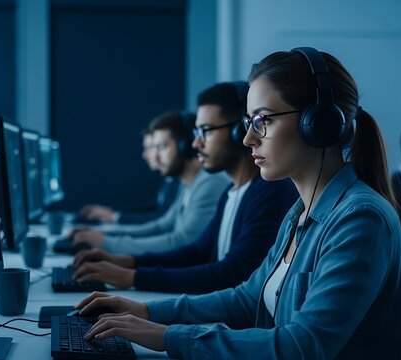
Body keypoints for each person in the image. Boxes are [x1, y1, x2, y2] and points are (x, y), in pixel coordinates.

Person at [73, 48, 401, 359]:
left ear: (318, 124)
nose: (248, 138)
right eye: (249, 123)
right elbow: (247, 298)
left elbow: (304, 345)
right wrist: (147, 312)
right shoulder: (300, 212)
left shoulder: (360, 219)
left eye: (264, 120)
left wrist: (168, 337)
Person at [71, 82, 298, 293]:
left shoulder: (270, 193)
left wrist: (134, 277)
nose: (195, 144)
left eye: (206, 131)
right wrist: (128, 262)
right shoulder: (231, 193)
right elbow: (197, 252)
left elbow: (231, 273)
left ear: (239, 130)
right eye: (196, 133)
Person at [72, 111, 230, 255]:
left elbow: (182, 241)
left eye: (161, 147)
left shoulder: (210, 183)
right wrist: (104, 233)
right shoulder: (187, 185)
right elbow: (161, 226)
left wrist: (108, 243)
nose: (155, 156)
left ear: (186, 146)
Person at [78, 129, 181, 225]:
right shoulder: (169, 179)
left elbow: (160, 220)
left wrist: (114, 218)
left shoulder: (180, 181)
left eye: (159, 147)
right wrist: (113, 212)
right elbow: (154, 207)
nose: (146, 155)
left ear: (181, 146)